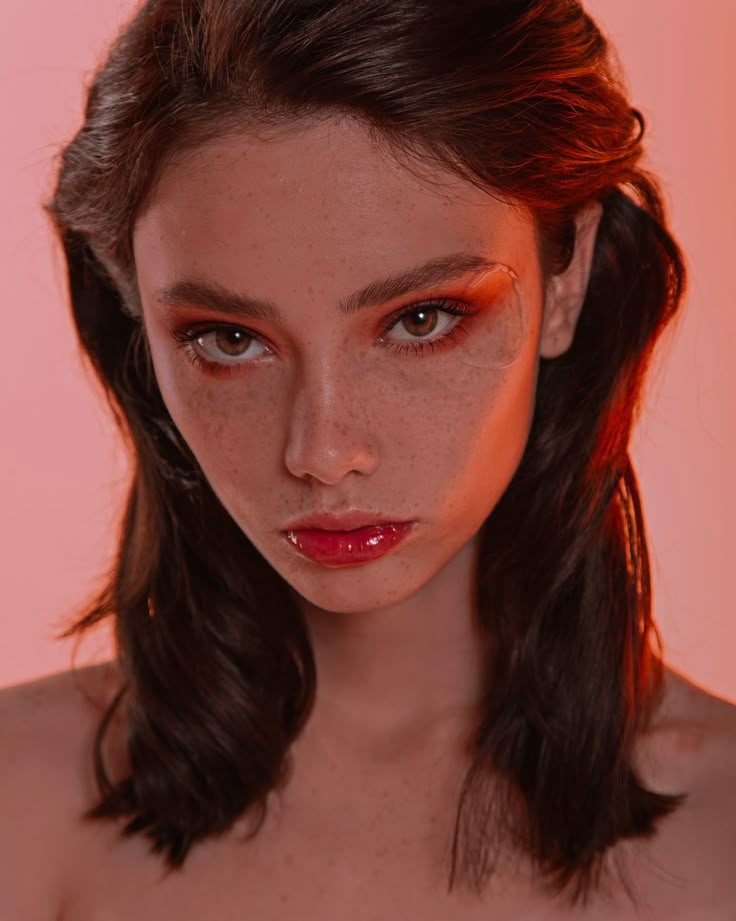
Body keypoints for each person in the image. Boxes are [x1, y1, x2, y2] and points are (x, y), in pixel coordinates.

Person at [1, 0, 735, 917]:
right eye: (229, 338)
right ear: (133, 313)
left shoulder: (722, 838)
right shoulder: (17, 810)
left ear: (568, 273)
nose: (322, 451)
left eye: (420, 320)